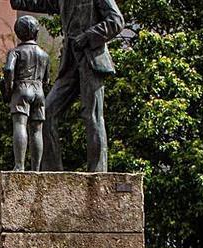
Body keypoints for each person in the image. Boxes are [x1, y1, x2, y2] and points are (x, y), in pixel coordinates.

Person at [9, 0, 125, 171]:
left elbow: (116, 21)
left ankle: (98, 172)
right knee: (46, 112)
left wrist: (87, 36)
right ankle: (53, 171)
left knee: (92, 116)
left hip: (91, 60)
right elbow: (36, 3)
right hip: (70, 63)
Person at [3, 15, 49, 171]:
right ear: (36, 32)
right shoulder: (44, 54)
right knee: (37, 129)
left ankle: (19, 166)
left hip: (22, 88)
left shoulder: (15, 52)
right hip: (39, 90)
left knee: (20, 124)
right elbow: (47, 79)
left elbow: (9, 69)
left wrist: (8, 89)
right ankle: (36, 169)